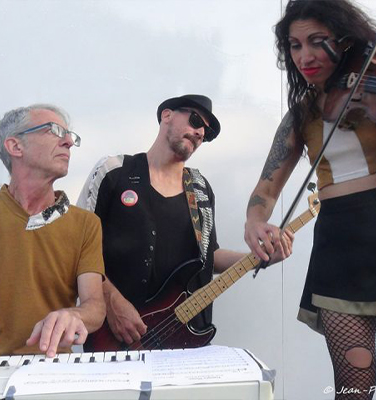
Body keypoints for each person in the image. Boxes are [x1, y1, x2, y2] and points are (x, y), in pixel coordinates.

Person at [244, 0, 376, 397]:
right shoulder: (301, 115)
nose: (304, 56)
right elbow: (266, 189)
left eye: (317, 41)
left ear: (345, 41)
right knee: (352, 389)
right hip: (341, 243)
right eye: (295, 45)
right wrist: (255, 221)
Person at [77, 94, 293, 350]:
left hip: (183, 337)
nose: (200, 132)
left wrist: (258, 258)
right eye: (195, 120)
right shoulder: (113, 171)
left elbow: (210, 256)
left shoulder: (200, 189)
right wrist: (111, 301)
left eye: (206, 132)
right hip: (115, 336)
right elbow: (78, 249)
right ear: (166, 115)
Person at [0, 104, 106, 362]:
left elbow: (95, 306)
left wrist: (75, 315)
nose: (69, 142)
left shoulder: (86, 224)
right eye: (55, 131)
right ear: (15, 146)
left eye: (70, 135)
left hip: (52, 368)